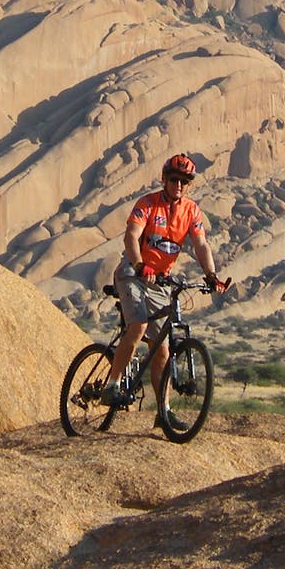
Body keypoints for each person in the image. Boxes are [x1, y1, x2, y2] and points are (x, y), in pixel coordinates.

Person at [102, 152, 228, 405]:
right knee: (138, 326)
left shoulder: (191, 211)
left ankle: (164, 412)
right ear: (164, 179)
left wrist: (212, 276)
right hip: (133, 272)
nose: (178, 185)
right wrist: (139, 264)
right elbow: (131, 236)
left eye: (184, 181)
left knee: (161, 350)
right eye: (174, 179)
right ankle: (111, 386)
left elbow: (201, 244)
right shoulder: (147, 204)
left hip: (159, 280)